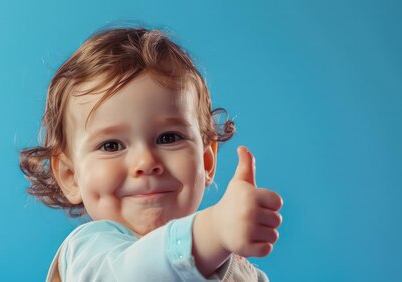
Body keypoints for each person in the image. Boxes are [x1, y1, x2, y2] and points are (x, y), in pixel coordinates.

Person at [19, 26, 283, 282]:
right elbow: (133, 274)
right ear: (70, 176)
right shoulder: (89, 254)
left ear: (206, 161)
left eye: (168, 138)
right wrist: (213, 229)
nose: (145, 162)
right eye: (111, 145)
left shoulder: (238, 270)